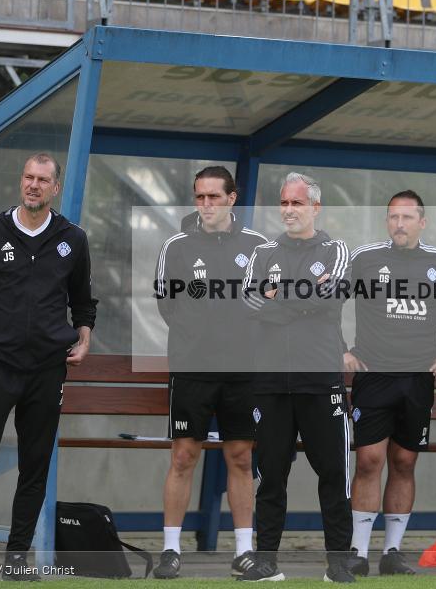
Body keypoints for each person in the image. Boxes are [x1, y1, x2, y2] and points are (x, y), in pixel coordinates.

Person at [0, 153, 97, 582]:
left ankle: (16, 561)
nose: (33, 185)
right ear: (21, 182)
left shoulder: (73, 239)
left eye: (42, 180)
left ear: (55, 188)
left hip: (48, 371)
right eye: (28, 177)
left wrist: (84, 336)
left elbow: (83, 302)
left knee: (35, 467)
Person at [152, 166, 267, 579]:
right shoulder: (177, 246)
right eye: (199, 197)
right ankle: (170, 549)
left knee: (240, 457)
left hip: (243, 371)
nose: (206, 205)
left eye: (213, 197)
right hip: (193, 368)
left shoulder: (258, 246)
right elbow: (167, 305)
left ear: (232, 199)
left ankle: (243, 550)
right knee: (184, 455)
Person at [241, 172, 354, 582]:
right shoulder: (263, 252)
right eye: (285, 203)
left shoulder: (337, 249)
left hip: (320, 380)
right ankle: (266, 562)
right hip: (271, 382)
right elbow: (250, 301)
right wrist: (303, 294)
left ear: (315, 208)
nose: (289, 210)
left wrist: (279, 297)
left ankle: (338, 564)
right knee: (271, 476)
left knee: (333, 475)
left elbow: (332, 294)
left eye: (297, 204)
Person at [342, 191, 436, 576]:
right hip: (374, 374)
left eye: (407, 218)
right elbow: (331, 302)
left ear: (422, 222)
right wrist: (342, 349)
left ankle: (392, 552)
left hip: (416, 380)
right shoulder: (365, 259)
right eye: (393, 217)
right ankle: (358, 551)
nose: (399, 224)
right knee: (369, 460)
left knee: (404, 461)